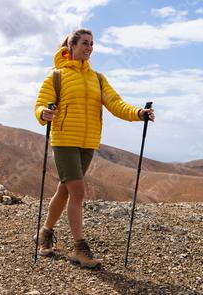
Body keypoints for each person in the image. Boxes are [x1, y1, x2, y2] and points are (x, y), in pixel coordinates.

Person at [34, 28, 155, 268]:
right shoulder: (56, 76)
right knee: (77, 190)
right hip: (65, 140)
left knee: (65, 190)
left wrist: (138, 113)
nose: (89, 47)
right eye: (85, 43)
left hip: (88, 143)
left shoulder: (97, 78)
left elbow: (115, 103)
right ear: (71, 46)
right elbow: (40, 105)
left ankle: (46, 233)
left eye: (92, 44)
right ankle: (80, 248)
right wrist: (43, 113)